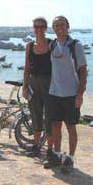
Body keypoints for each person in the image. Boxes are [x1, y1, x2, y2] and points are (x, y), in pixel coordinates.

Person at [47, 15, 87, 172]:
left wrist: (80, 94)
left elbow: (83, 72)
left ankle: (70, 157)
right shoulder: (52, 45)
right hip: (54, 93)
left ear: (68, 26)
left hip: (71, 94)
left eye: (62, 24)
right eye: (56, 25)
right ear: (53, 28)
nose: (59, 28)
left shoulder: (75, 46)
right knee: (56, 126)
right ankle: (56, 154)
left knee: (71, 127)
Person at [22, 17, 54, 160]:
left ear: (46, 28)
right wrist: (24, 86)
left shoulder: (52, 44)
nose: (39, 29)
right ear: (33, 28)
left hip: (49, 84)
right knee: (35, 116)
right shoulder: (29, 46)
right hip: (33, 83)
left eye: (42, 26)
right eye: (36, 26)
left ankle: (50, 150)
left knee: (49, 118)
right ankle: (36, 147)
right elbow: (27, 68)